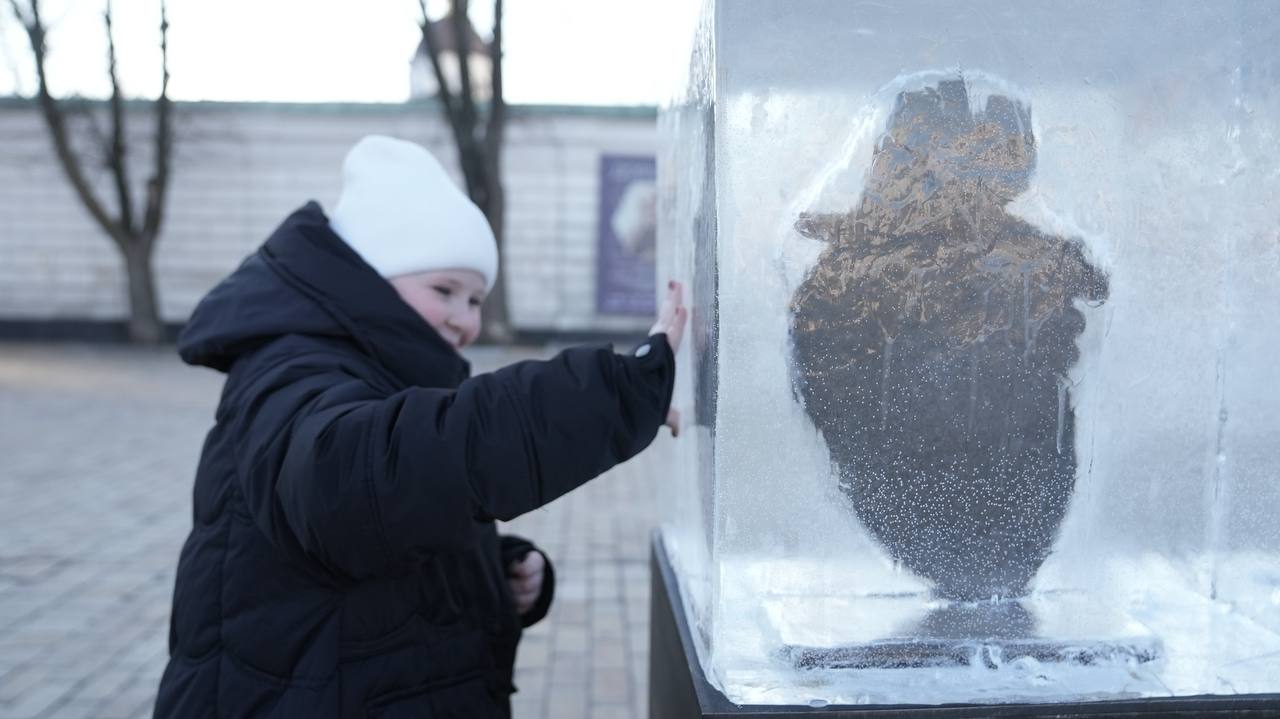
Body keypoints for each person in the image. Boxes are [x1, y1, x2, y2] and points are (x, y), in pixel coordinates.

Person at [155, 135, 686, 718]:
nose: (466, 320)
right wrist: (604, 397)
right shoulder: (291, 364)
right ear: (366, 277)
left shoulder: (379, 378)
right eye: (445, 291)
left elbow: (388, 520)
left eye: (477, 299)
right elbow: (350, 485)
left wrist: (494, 567)